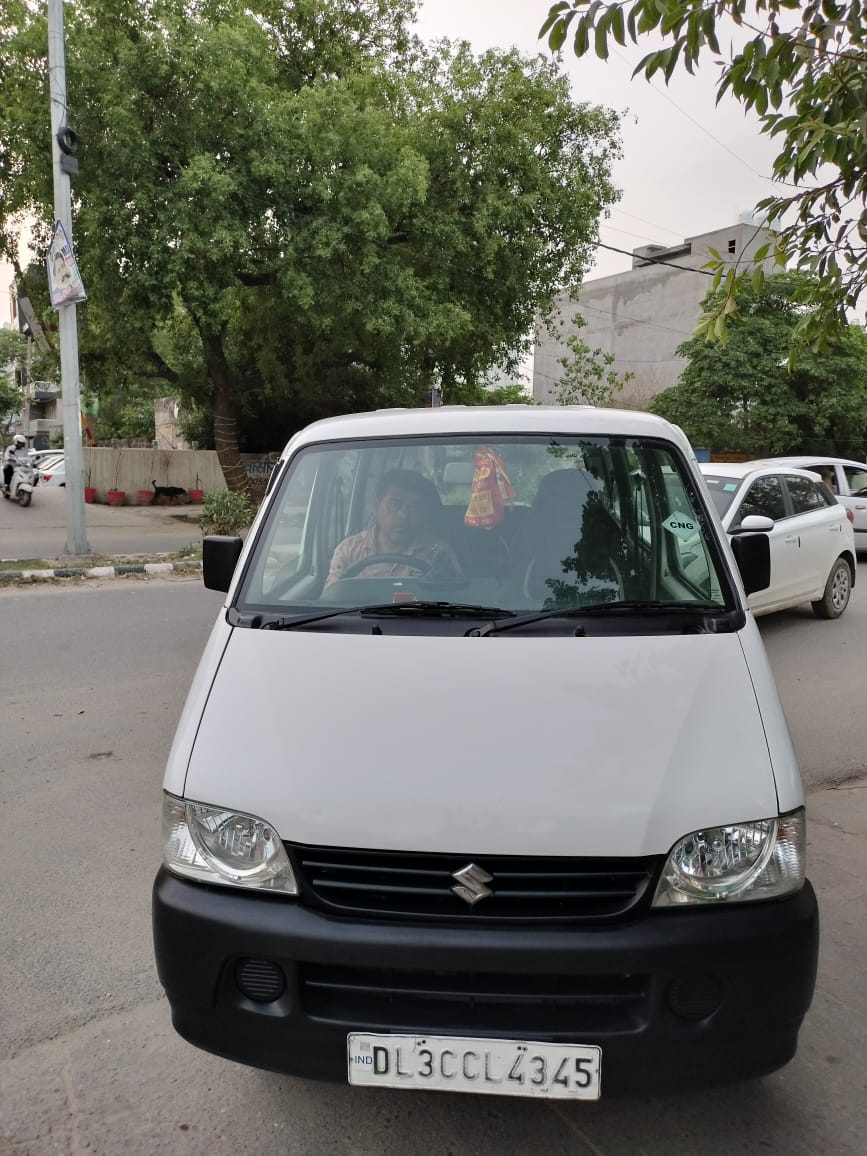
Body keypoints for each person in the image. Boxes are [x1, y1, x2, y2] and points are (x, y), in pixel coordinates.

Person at [325, 469, 462, 588]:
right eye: (394, 504)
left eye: (414, 507)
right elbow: (331, 600)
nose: (403, 515)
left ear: (422, 513)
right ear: (376, 506)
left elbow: (455, 598)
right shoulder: (349, 551)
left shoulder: (439, 553)